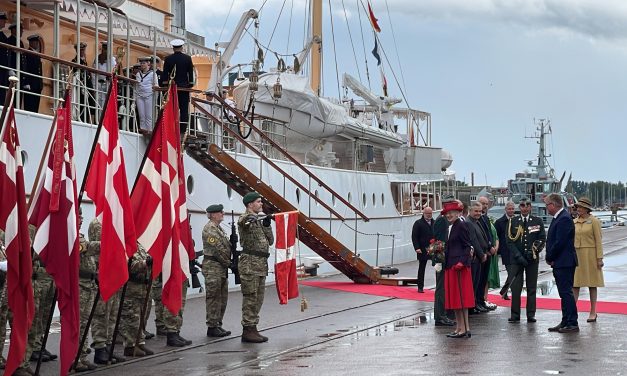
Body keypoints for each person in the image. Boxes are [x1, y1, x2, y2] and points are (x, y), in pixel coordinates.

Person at [238, 191, 274, 343]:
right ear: (250, 204)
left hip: (260, 264)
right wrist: (250, 217)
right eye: (258, 202)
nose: (261, 204)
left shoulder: (259, 220)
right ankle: (248, 329)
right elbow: (243, 221)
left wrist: (266, 224)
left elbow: (270, 241)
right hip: (250, 264)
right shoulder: (246, 218)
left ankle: (253, 327)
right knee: (250, 298)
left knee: (258, 298)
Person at [89, 217, 126, 364]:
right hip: (103, 273)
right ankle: (100, 348)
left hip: (114, 273)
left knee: (112, 314)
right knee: (101, 314)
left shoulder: (115, 220)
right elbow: (102, 249)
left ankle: (108, 348)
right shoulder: (97, 223)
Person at [506, 197, 546, 323]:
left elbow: (542, 239)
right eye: (522, 205)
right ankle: (515, 314)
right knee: (516, 288)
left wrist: (533, 251)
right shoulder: (513, 221)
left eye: (527, 205)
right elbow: (509, 241)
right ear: (520, 207)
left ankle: (531, 314)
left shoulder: (537, 221)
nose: (525, 208)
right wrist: (519, 256)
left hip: (531, 259)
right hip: (517, 260)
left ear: (530, 207)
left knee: (531, 287)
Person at [544, 193, 579, 333]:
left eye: (547, 205)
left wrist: (550, 256)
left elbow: (560, 242)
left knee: (566, 293)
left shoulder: (563, 218)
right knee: (563, 293)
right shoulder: (559, 217)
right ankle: (565, 320)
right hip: (561, 261)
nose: (546, 208)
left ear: (553, 205)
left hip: (564, 261)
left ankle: (572, 322)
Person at [442, 200, 474, 338]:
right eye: (447, 213)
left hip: (459, 267)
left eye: (451, 213)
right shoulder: (452, 226)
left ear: (457, 213)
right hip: (451, 265)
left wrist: (463, 262)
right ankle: (459, 326)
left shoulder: (461, 225)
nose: (449, 215)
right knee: (455, 299)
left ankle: (464, 328)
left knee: (461, 299)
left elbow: (467, 246)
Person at [202, 204, 232, 337]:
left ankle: (218, 323)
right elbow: (217, 249)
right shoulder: (209, 229)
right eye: (220, 212)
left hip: (221, 267)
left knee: (222, 297)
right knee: (213, 297)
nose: (222, 214)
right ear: (213, 214)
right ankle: (212, 326)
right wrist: (229, 263)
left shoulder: (219, 228)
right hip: (213, 267)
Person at [119, 242, 154, 357]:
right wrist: (145, 263)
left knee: (140, 317)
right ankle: (130, 346)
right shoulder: (125, 244)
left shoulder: (139, 245)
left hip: (142, 288)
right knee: (131, 317)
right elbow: (128, 265)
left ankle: (140, 342)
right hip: (131, 288)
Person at [572, 197, 604, 322]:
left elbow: (599, 241)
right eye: (577, 207)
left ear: (586, 209)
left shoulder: (594, 221)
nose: (577, 209)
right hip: (577, 255)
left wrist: (599, 258)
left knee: (592, 284)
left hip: (590, 255)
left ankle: (593, 311)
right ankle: (572, 311)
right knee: (575, 284)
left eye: (580, 207)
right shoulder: (574, 221)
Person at [75, 207, 98, 372]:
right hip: (79, 285)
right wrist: (111, 242)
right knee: (79, 324)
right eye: (78, 216)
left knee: (85, 323)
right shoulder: (72, 236)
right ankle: (75, 358)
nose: (81, 219)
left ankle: (82, 356)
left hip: (88, 284)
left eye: (82, 216)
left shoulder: (80, 235)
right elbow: (87, 247)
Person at [160, 39, 194, 135]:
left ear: (173, 48)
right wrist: (190, 84)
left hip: (172, 87)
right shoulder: (187, 58)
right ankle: (182, 129)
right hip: (184, 88)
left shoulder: (168, 59)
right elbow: (190, 73)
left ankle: (170, 126)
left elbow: (165, 73)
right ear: (182, 48)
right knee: (183, 109)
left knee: (171, 108)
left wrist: (165, 83)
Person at [432, 196, 456, 327]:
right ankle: (440, 316)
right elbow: (440, 243)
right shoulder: (442, 221)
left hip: (445, 259)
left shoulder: (447, 220)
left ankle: (445, 313)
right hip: (441, 260)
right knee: (441, 288)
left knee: (445, 288)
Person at [466, 201, 489, 313]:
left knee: (478, 282)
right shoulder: (469, 222)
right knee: (473, 283)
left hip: (480, 256)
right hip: (475, 257)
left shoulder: (476, 221)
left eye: (480, 211)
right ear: (470, 211)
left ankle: (475, 303)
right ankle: (471, 306)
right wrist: (481, 254)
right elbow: (473, 240)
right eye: (476, 211)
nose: (478, 213)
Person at [494, 201, 515, 300]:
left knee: (515, 272)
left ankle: (504, 291)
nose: (511, 211)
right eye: (509, 209)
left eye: (512, 209)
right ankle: (505, 291)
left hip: (516, 251)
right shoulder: (499, 222)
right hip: (506, 251)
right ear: (505, 210)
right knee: (511, 272)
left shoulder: (517, 220)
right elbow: (496, 236)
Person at [411, 206, 434, 293]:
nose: (429, 215)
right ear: (423, 213)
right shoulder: (418, 223)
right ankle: (420, 287)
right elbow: (414, 236)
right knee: (422, 267)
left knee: (438, 266)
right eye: (427, 213)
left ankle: (439, 285)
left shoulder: (434, 222)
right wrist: (417, 248)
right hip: (422, 248)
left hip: (433, 248)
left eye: (430, 213)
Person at [72, 42, 96, 123]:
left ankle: (89, 121)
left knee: (89, 104)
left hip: (87, 87)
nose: (82, 52)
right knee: (82, 104)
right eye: (81, 50)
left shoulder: (85, 61)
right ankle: (82, 120)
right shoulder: (75, 61)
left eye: (83, 50)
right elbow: (76, 74)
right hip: (81, 87)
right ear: (77, 50)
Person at [135, 57, 157, 134]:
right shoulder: (138, 74)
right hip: (139, 95)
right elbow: (137, 86)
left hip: (149, 95)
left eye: (144, 63)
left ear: (148, 64)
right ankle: (143, 130)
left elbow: (156, 85)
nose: (142, 65)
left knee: (149, 116)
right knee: (141, 115)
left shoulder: (153, 74)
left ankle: (149, 130)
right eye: (141, 63)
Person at [22, 34, 43, 112]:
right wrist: (26, 82)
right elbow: (25, 67)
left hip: (37, 84)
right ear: (30, 43)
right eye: (35, 42)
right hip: (30, 84)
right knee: (29, 105)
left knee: (35, 106)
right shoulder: (28, 53)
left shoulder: (36, 54)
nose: (36, 44)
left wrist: (40, 83)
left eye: (37, 42)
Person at [93, 41, 117, 109]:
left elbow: (113, 71)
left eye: (107, 49)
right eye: (104, 48)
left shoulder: (112, 59)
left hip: (107, 83)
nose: (105, 50)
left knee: (107, 103)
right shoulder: (97, 58)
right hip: (98, 84)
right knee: (99, 103)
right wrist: (94, 86)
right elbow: (93, 73)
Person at [0, 12, 9, 103]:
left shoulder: (3, 36)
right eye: (3, 20)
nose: (4, 23)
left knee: (2, 90)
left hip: (3, 68)